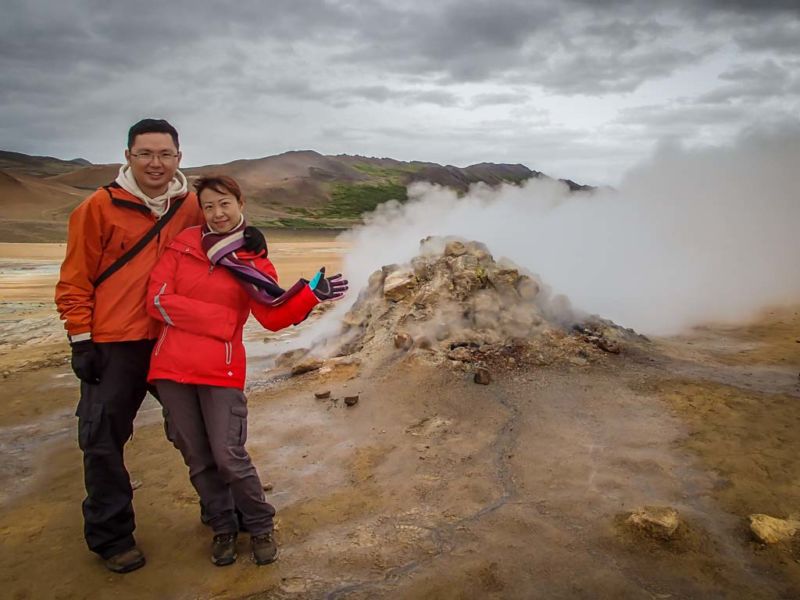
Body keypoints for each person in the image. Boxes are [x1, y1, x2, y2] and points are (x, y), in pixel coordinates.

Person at [54, 119, 268, 573]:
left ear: (178, 157)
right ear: (128, 155)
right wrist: (81, 339)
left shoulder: (189, 205)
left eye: (165, 154)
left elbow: (218, 232)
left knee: (198, 436)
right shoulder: (97, 208)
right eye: (146, 153)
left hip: (172, 341)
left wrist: (249, 238)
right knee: (103, 438)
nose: (156, 163)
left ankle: (225, 515)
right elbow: (74, 280)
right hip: (114, 342)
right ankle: (112, 536)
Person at [145, 175, 347, 566]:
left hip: (219, 372)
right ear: (200, 211)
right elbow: (156, 301)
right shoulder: (182, 246)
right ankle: (222, 526)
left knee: (228, 456)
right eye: (208, 206)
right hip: (171, 369)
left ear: (240, 205)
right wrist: (222, 321)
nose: (217, 214)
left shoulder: (254, 261)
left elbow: (271, 318)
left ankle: (258, 524)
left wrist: (308, 296)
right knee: (198, 458)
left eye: (224, 204)